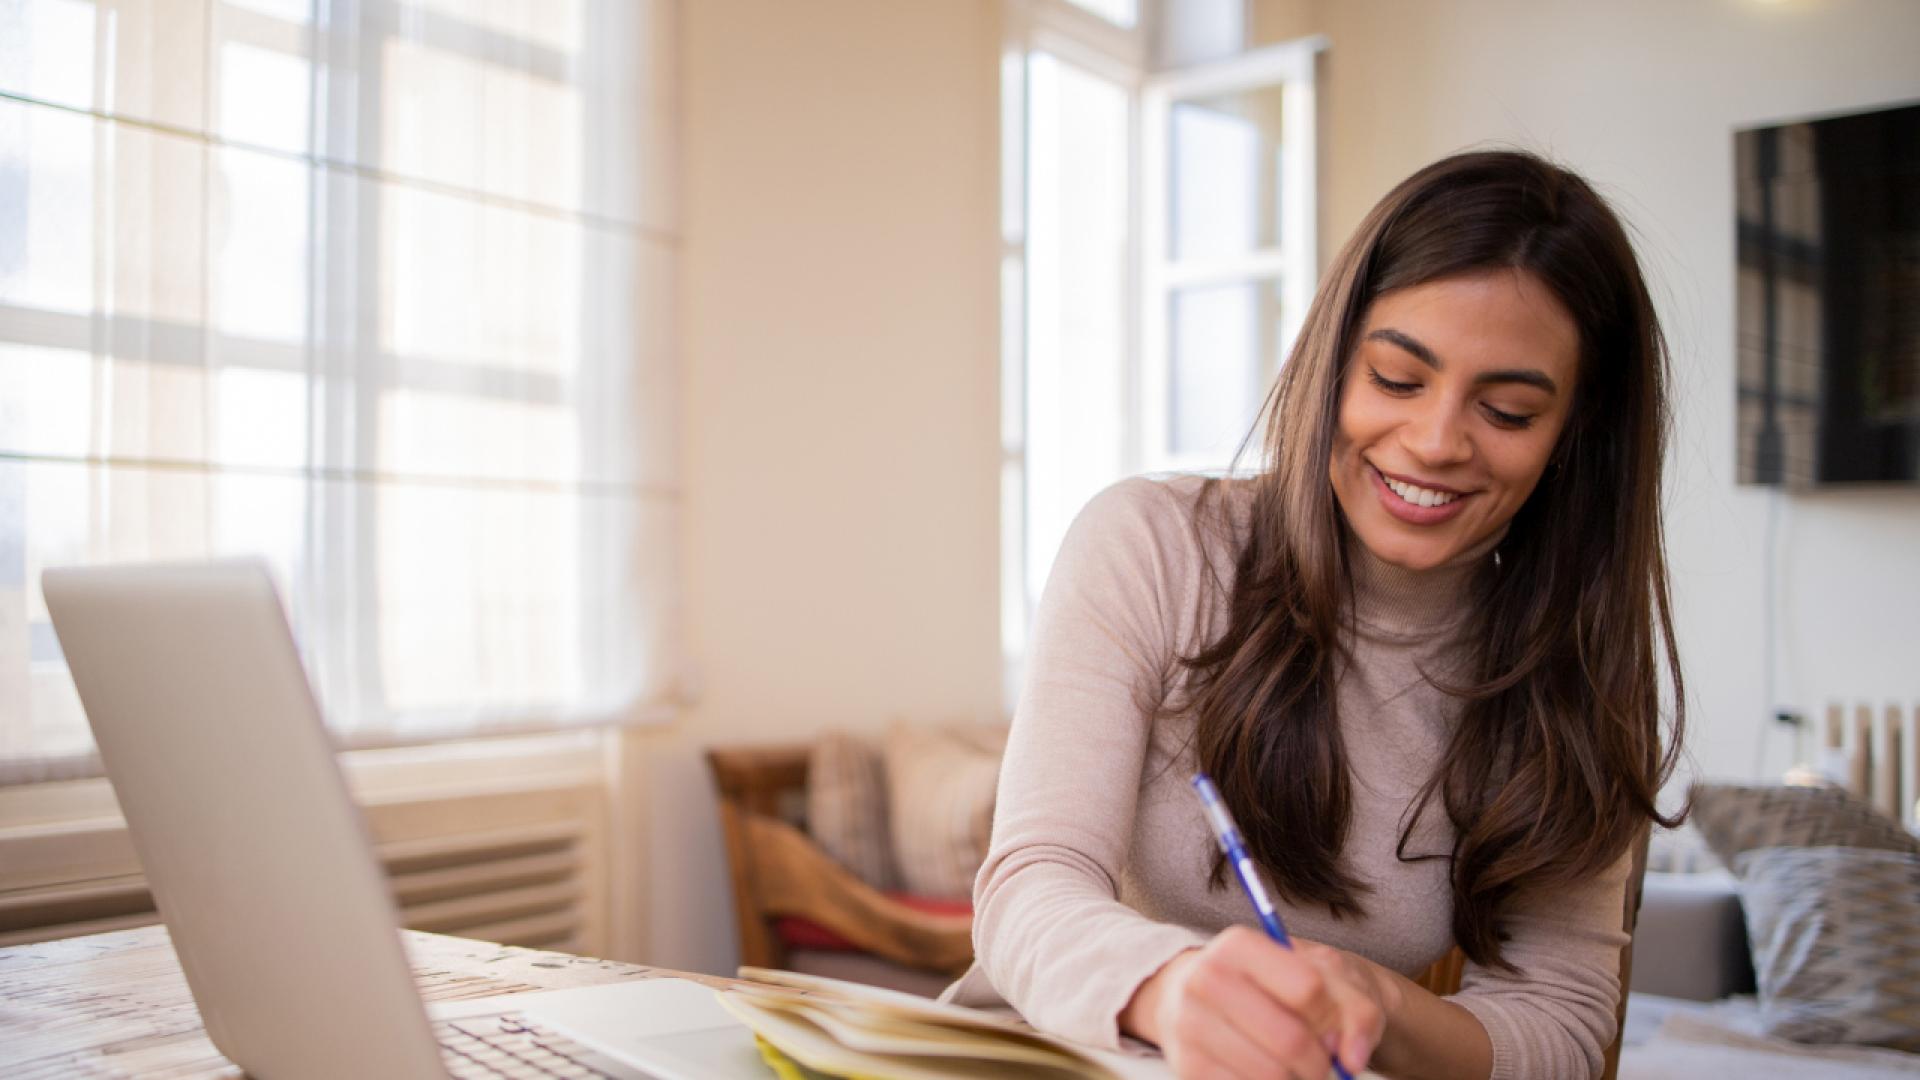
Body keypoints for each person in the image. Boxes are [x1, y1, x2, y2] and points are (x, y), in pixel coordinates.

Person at [941, 150, 1687, 1080]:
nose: (1435, 441)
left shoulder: (1571, 665)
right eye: (1396, 380)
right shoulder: (1152, 545)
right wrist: (1175, 990)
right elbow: (1029, 887)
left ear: (1575, 436)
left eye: (1504, 410)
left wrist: (1374, 1000)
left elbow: (1565, 1025)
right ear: (1331, 365)